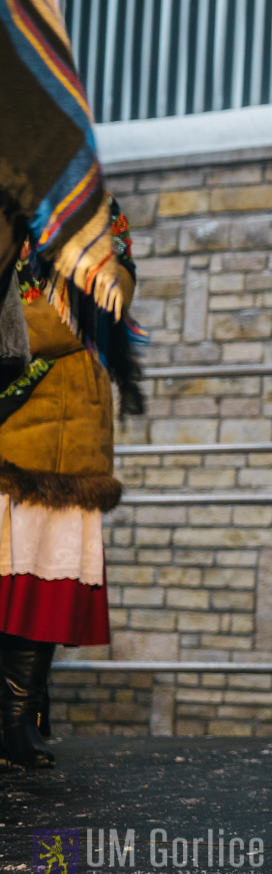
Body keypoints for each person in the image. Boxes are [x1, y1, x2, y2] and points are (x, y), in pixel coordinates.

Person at [0, 215, 144, 770]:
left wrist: (16, 331)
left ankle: (19, 718)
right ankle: (16, 718)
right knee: (11, 568)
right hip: (11, 420)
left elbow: (102, 299)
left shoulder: (92, 210)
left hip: (67, 428)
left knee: (41, 570)